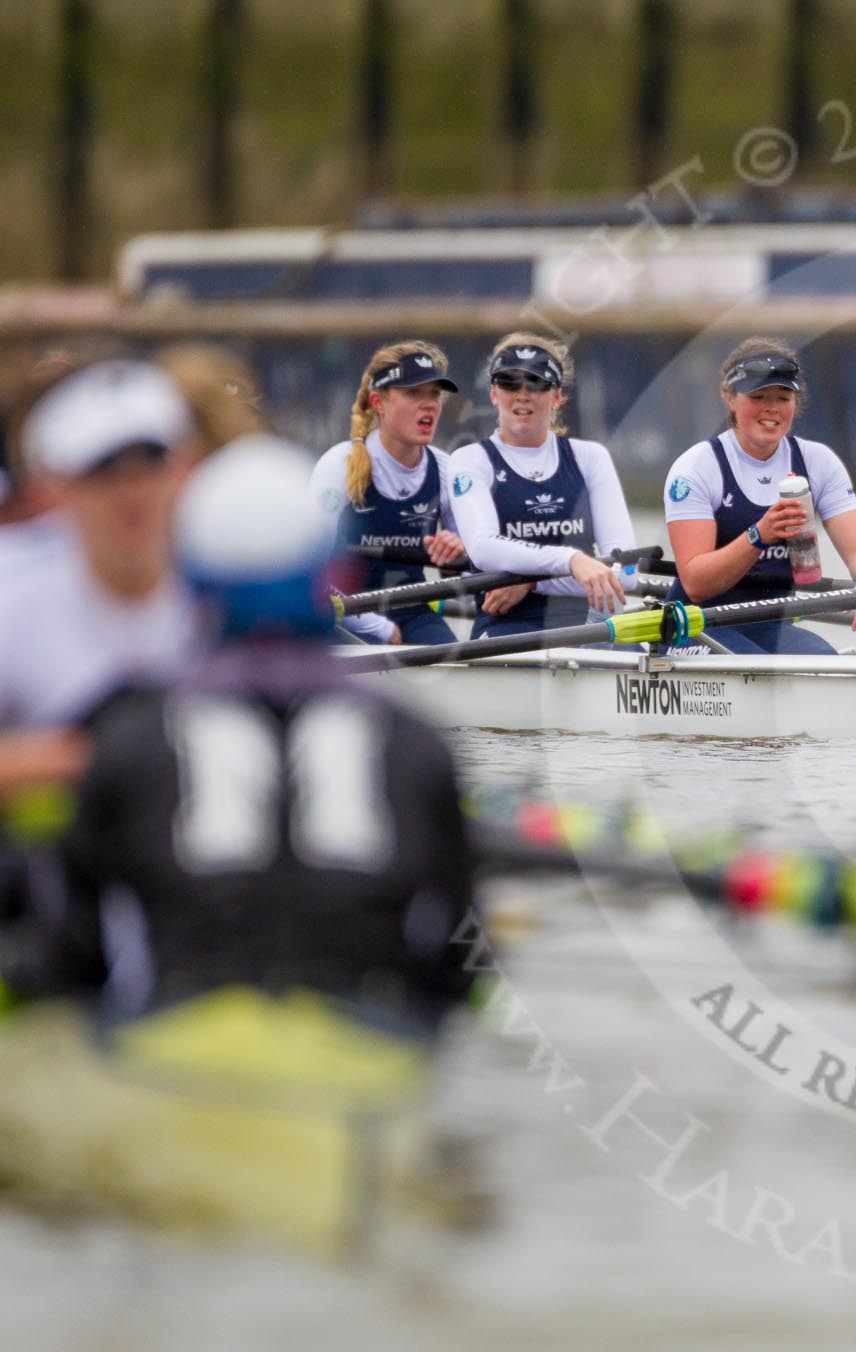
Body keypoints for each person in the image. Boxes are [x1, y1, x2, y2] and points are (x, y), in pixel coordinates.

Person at [17, 433, 477, 1038]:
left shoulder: (129, 738)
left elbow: (73, 962)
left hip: (179, 1061)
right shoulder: (415, 743)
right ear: (331, 579)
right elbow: (457, 969)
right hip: (363, 1062)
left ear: (193, 586)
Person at [0, 360, 203, 790]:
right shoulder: (11, 586)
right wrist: (102, 758)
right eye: (103, 471)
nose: (133, 493)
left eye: (153, 463)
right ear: (51, 489)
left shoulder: (225, 572)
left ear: (185, 471)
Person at [661, 338, 856, 655]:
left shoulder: (818, 462)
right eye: (758, 397)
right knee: (756, 673)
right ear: (730, 398)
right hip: (696, 625)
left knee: (826, 664)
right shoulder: (697, 468)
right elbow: (696, 583)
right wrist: (760, 535)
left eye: (782, 397)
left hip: (771, 625)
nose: (771, 408)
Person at [444, 332, 631, 638]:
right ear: (493, 393)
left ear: (556, 396)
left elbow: (629, 574)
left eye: (536, 383)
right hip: (506, 628)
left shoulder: (590, 458)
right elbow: (482, 549)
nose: (522, 394)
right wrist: (571, 560)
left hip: (586, 626)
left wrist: (533, 581)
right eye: (509, 382)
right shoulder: (470, 460)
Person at [311, 341, 465, 645]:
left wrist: (457, 556)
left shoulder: (447, 470)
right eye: (413, 393)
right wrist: (377, 628)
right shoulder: (338, 466)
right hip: (343, 614)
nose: (429, 404)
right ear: (378, 402)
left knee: (455, 666)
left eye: (434, 394)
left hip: (413, 611)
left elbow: (473, 571)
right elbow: (312, 570)